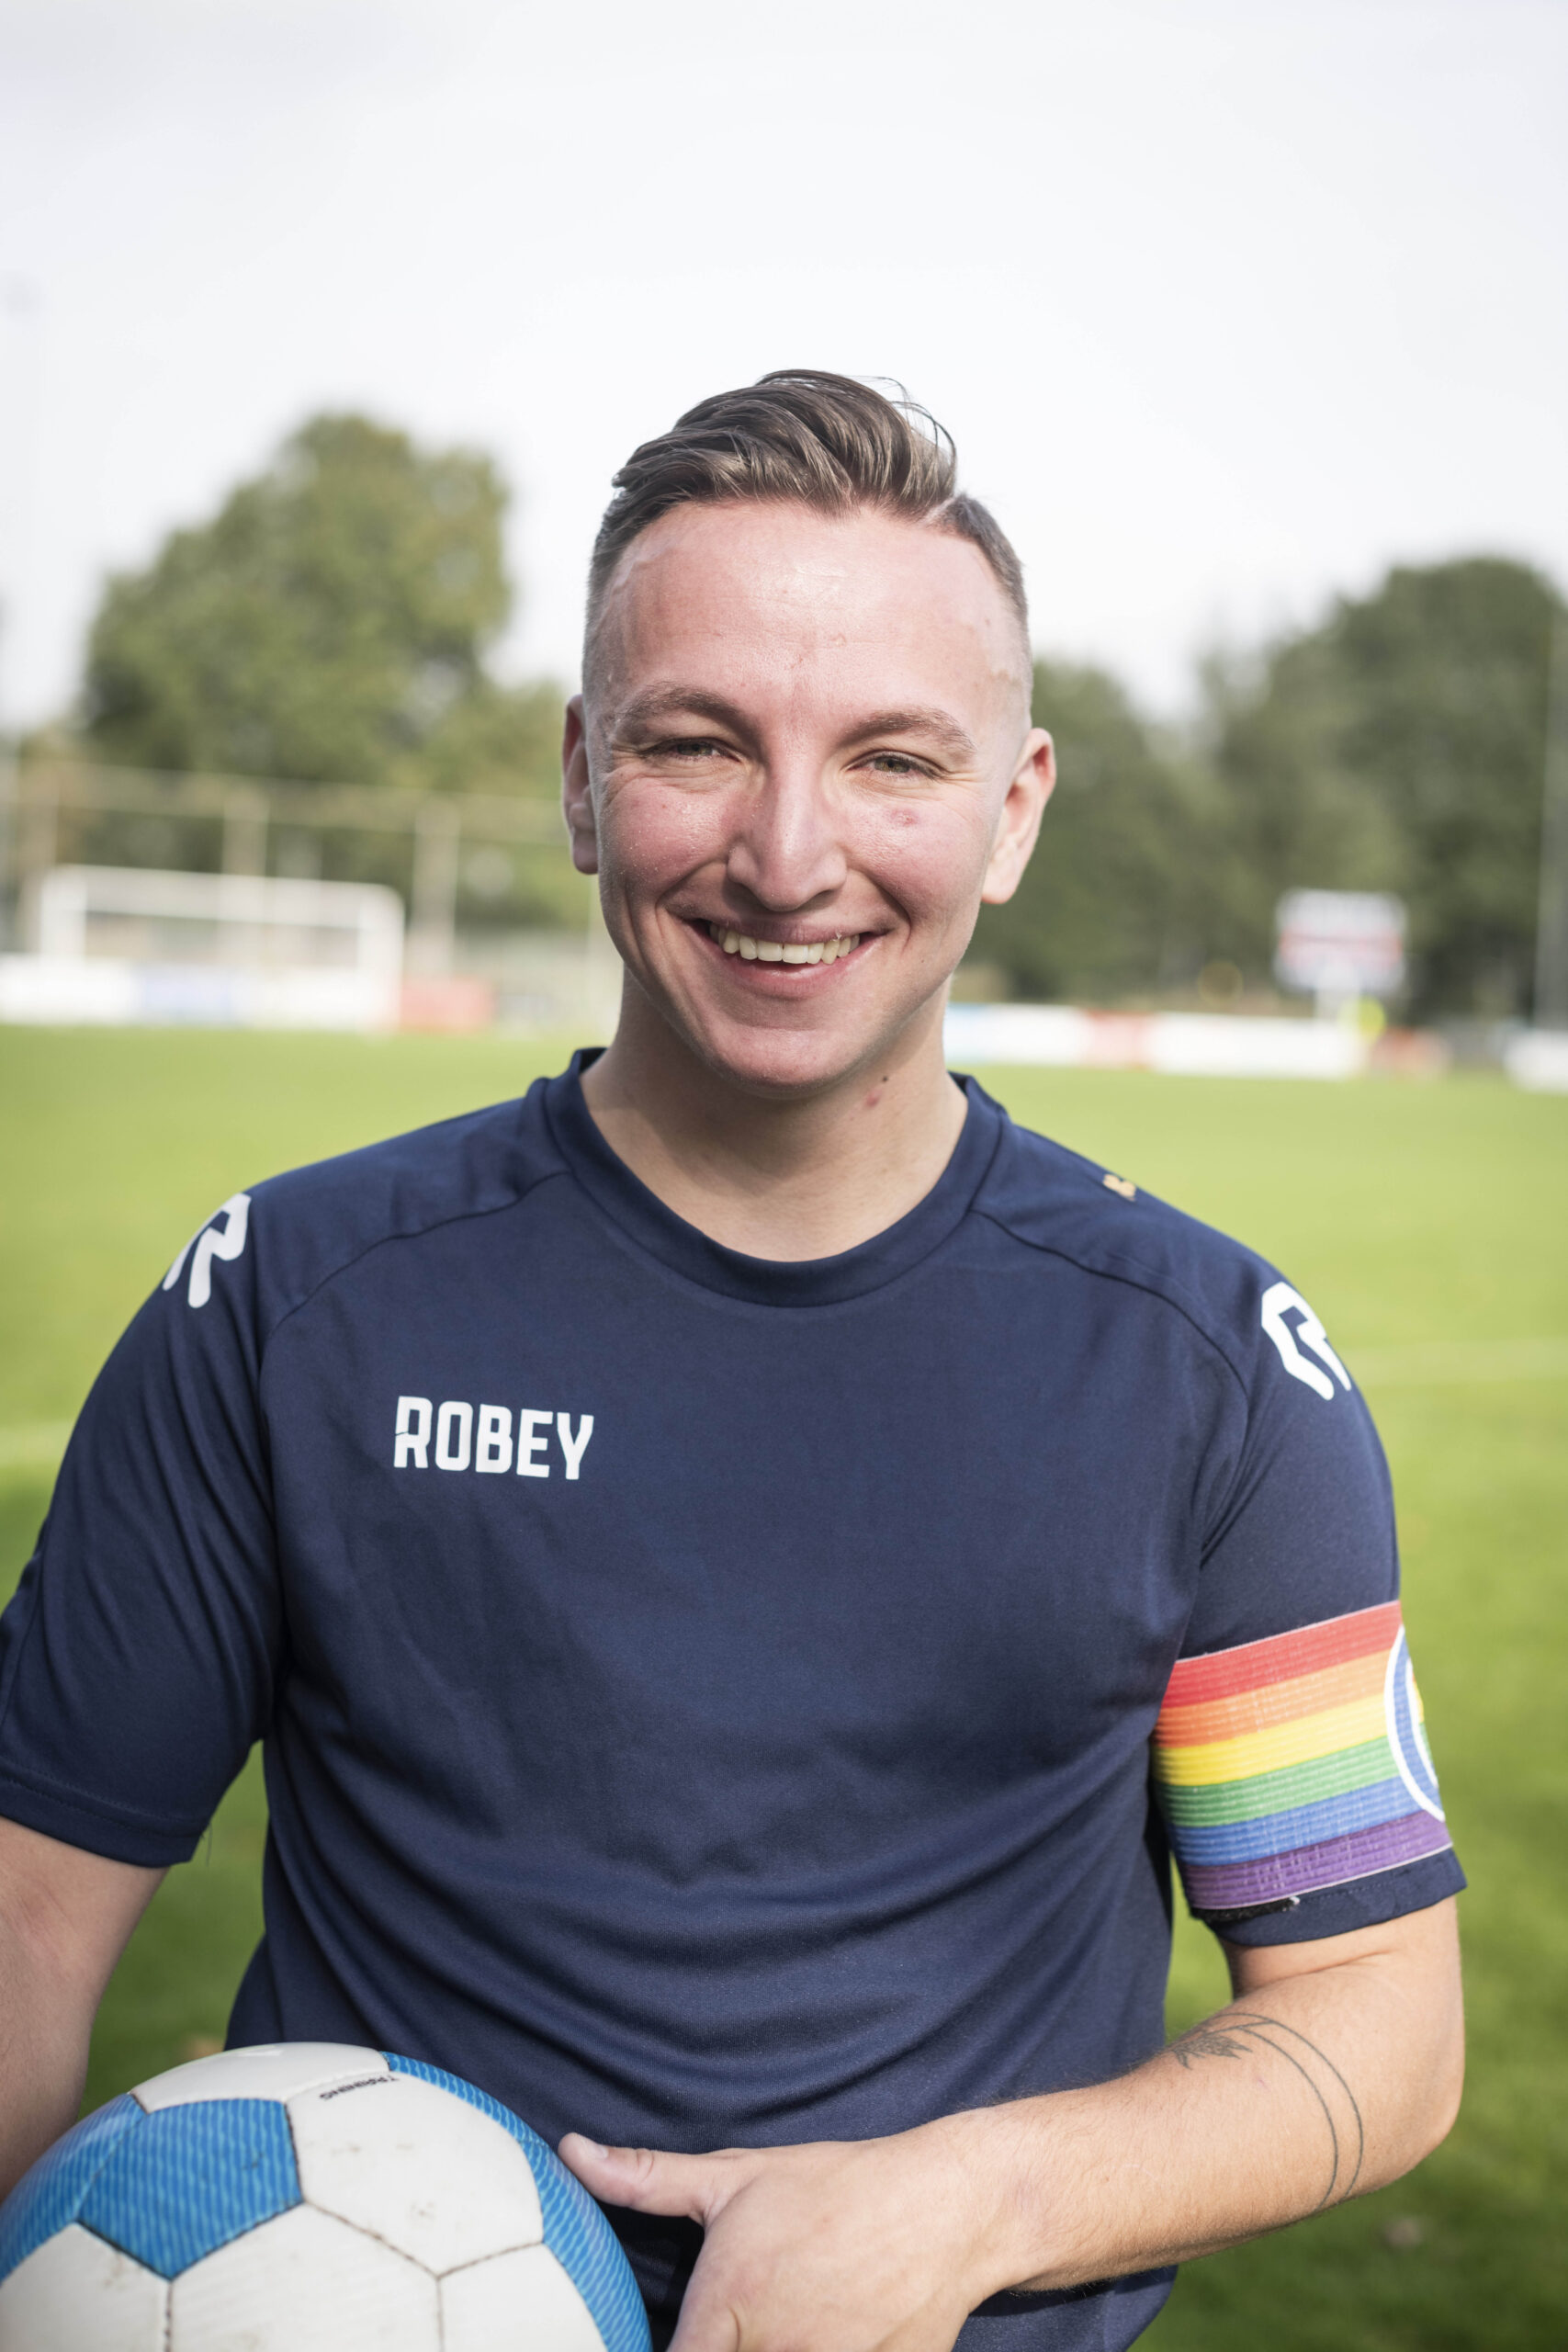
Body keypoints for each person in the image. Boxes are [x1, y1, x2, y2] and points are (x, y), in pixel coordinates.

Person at [0, 371, 1463, 2352]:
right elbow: (23, 1920)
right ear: (582, 772)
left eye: (890, 761)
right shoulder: (288, 1301)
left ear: (1010, 809)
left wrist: (967, 2197)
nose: (788, 855)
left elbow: (1373, 2024)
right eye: (697, 743)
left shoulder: (1210, 1374)